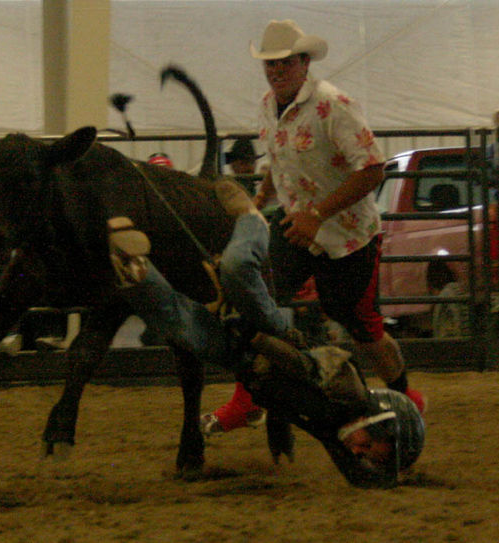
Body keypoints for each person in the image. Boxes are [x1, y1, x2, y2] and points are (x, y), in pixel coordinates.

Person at [109, 180, 424, 488]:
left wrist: (379, 476)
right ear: (375, 419)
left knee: (180, 324)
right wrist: (257, 337)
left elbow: (352, 467)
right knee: (236, 270)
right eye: (367, 447)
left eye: (362, 456)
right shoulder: (348, 389)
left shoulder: (333, 427)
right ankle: (251, 218)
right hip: (272, 335)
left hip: (245, 361)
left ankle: (132, 265)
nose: (357, 452)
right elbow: (301, 365)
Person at [202, 19, 425, 436]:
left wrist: (318, 214)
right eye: (270, 63)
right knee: (255, 298)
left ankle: (406, 396)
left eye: (285, 62)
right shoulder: (269, 106)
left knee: (362, 328)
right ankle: (247, 401)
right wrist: (259, 202)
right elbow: (278, 158)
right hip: (296, 230)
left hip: (348, 238)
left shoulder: (332, 103)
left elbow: (373, 168)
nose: (275, 70)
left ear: (305, 63)